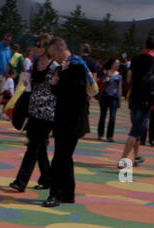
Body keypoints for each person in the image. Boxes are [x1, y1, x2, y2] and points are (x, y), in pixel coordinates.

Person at [43, 36, 91, 208]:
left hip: (70, 120)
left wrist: (56, 82)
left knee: (60, 158)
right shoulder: (74, 65)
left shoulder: (74, 66)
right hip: (71, 119)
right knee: (65, 156)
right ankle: (68, 193)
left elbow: (74, 95)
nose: (53, 59)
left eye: (53, 54)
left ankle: (54, 194)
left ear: (59, 49)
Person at [6, 33, 54, 194]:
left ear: (47, 48)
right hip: (33, 110)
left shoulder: (55, 67)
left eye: (39, 45)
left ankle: (21, 181)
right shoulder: (33, 64)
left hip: (47, 113)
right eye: (35, 44)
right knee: (39, 148)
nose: (35, 47)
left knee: (33, 147)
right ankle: (47, 179)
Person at [117, 34, 154, 170]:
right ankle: (123, 158)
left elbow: (128, 79)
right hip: (146, 99)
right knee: (135, 130)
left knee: (136, 125)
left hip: (134, 97)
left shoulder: (135, 59)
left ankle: (136, 156)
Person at [95, 57, 120, 141]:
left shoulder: (119, 75)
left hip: (114, 98)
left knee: (112, 117)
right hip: (104, 97)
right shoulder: (104, 73)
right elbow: (98, 81)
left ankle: (110, 136)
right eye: (116, 63)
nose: (117, 65)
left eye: (118, 63)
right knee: (103, 116)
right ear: (112, 64)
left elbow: (120, 88)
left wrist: (119, 99)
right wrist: (104, 81)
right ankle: (100, 134)